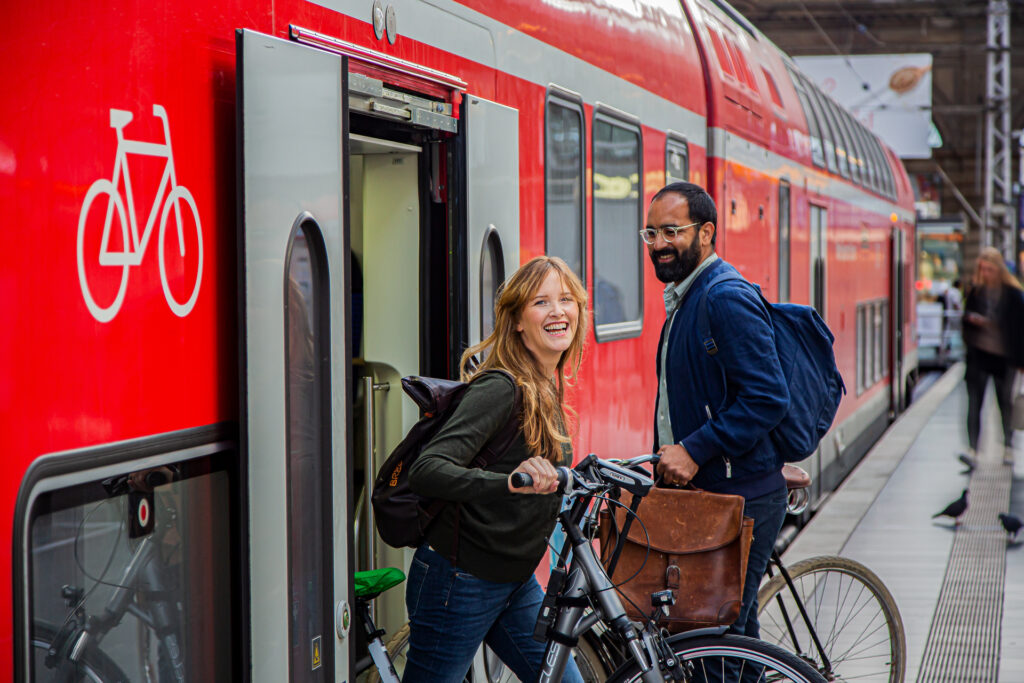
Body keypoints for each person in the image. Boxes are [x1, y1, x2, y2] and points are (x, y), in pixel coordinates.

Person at [403, 256, 589, 683]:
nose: (558, 311)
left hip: (514, 582)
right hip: (460, 581)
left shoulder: (545, 383)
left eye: (565, 299)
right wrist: (507, 484)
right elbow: (428, 469)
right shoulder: (500, 387)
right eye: (541, 302)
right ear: (518, 321)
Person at [646, 182, 790, 643]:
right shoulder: (686, 299)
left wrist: (694, 448)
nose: (659, 245)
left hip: (739, 498)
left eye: (672, 231)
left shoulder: (722, 297)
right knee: (731, 636)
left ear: (705, 233)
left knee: (715, 642)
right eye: (650, 234)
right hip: (716, 493)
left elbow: (768, 396)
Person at [961, 247, 1024, 466]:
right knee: (974, 403)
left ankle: (1007, 447)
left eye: (989, 269)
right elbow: (964, 323)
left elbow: (1019, 328)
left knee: (1004, 402)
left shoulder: (1013, 295)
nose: (985, 274)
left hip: (1004, 358)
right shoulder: (976, 292)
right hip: (979, 356)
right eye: (982, 269)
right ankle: (973, 449)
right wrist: (972, 323)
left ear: (998, 269)